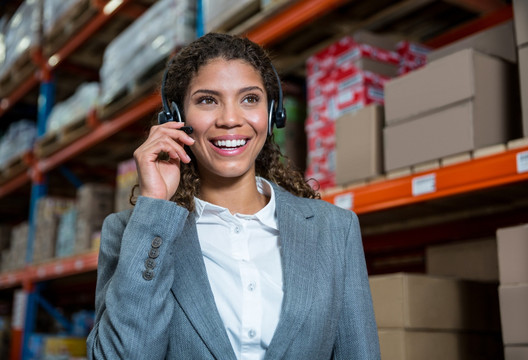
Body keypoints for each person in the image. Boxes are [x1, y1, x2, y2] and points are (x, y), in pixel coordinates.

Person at [86, 32, 380, 360]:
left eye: (250, 99)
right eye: (207, 100)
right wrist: (154, 206)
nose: (229, 119)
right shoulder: (129, 233)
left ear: (272, 115)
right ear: (175, 119)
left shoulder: (335, 230)